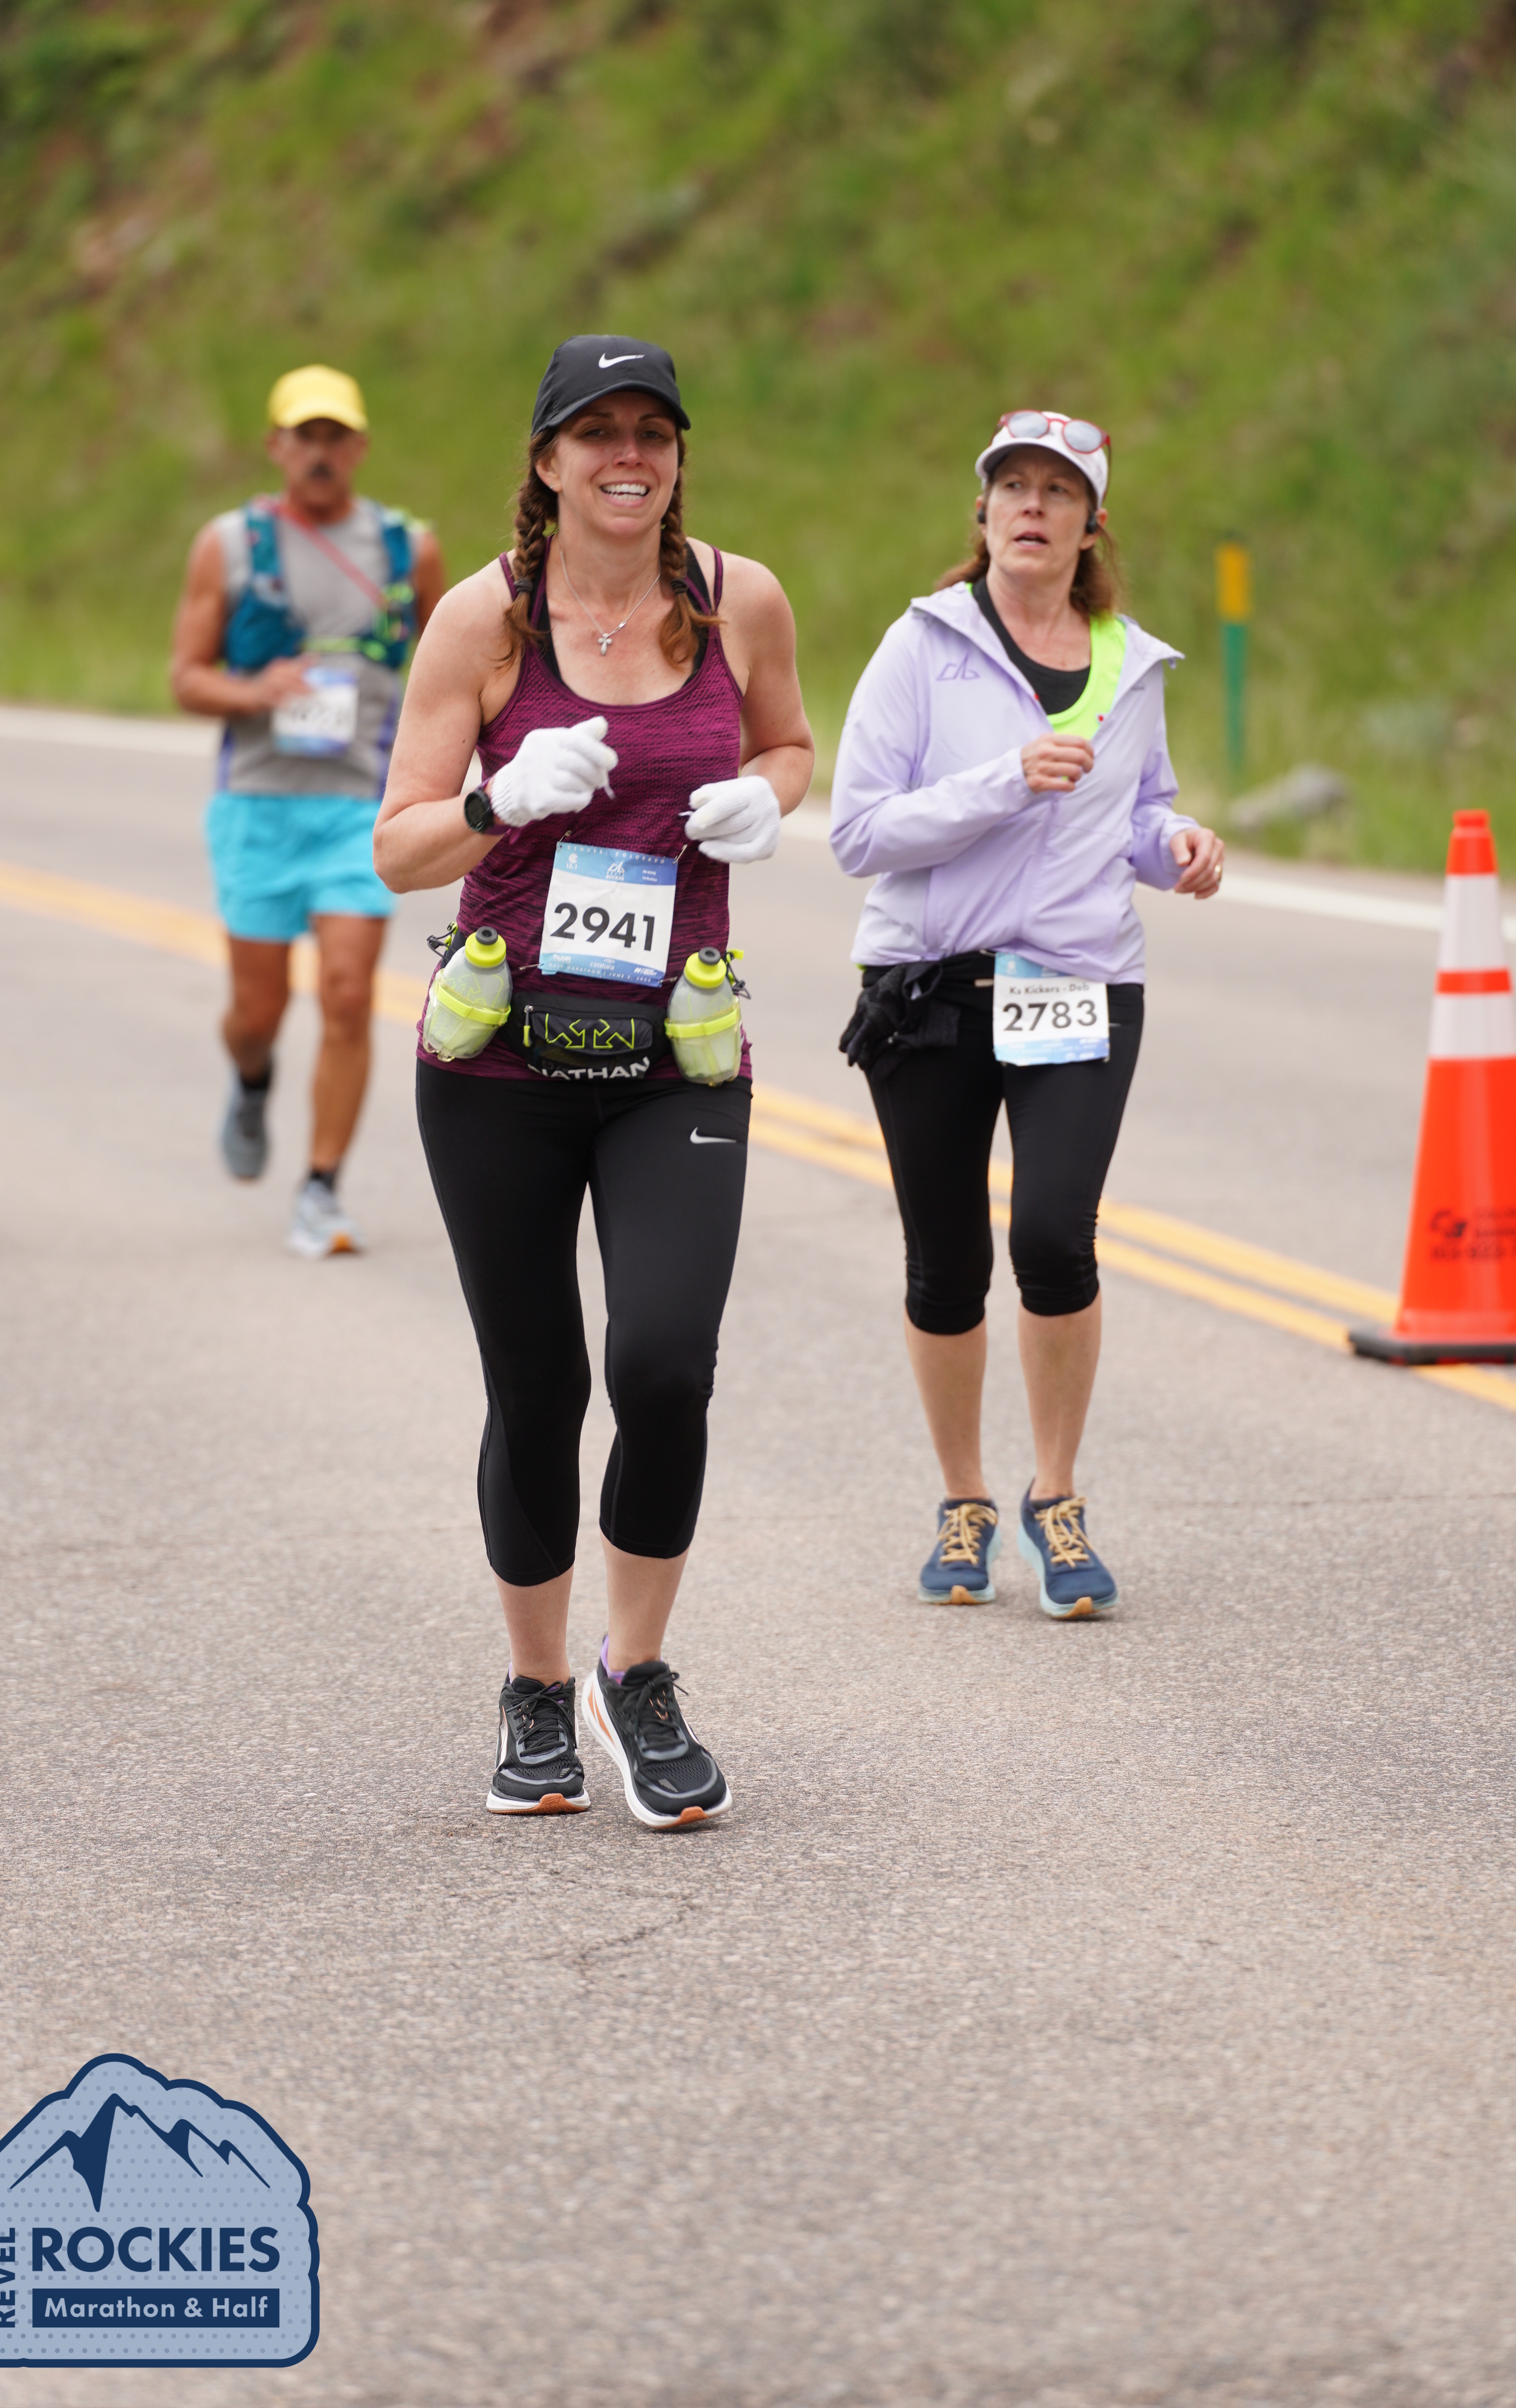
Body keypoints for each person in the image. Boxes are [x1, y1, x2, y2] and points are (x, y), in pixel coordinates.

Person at [374, 334, 812, 1824]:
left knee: (666, 1365)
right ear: (549, 460)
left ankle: (639, 1670)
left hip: (675, 1057)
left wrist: (767, 798)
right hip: (499, 1060)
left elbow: (791, 741)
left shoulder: (740, 600)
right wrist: (500, 799)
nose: (630, 457)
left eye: (654, 433)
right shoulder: (483, 621)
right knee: (540, 1385)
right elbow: (400, 844)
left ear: (679, 457)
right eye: (599, 432)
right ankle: (537, 1687)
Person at [831, 408, 1224, 1618]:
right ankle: (964, 1499)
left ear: (1091, 524)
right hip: (931, 987)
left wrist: (1179, 844)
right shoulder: (923, 647)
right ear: (984, 512)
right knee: (947, 1260)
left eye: (1059, 492)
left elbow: (1138, 813)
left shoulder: (1133, 664)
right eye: (1014, 487)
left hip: (1080, 984)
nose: (1034, 508)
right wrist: (1002, 781)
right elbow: (859, 831)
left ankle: (1057, 1497)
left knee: (1054, 1237)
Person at [171, 364, 445, 1256]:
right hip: (257, 806)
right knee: (256, 1015)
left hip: (358, 810)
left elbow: (455, 666)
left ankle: (322, 1187)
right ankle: (252, 1081)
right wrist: (256, 691)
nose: (320, 453)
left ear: (360, 447)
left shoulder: (408, 549)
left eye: (336, 437)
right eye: (305, 436)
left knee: (347, 994)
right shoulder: (229, 545)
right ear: (276, 447)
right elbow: (187, 678)